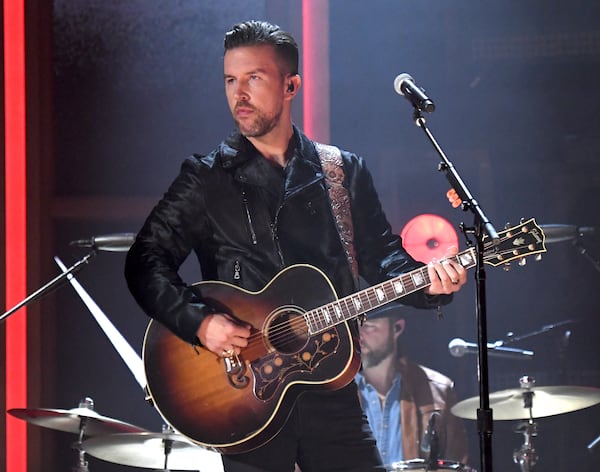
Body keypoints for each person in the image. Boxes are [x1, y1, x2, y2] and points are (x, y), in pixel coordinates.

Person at [124, 19, 467, 472]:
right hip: (243, 395)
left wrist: (432, 285)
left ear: (291, 85)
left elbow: (385, 257)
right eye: (230, 79)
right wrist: (200, 323)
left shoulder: (342, 172)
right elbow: (144, 261)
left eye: (254, 78)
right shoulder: (205, 178)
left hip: (333, 389)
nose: (238, 94)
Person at [356, 302, 469, 468]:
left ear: (397, 328)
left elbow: (456, 463)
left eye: (369, 326)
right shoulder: (338, 392)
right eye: (356, 327)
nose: (360, 335)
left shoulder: (438, 390)